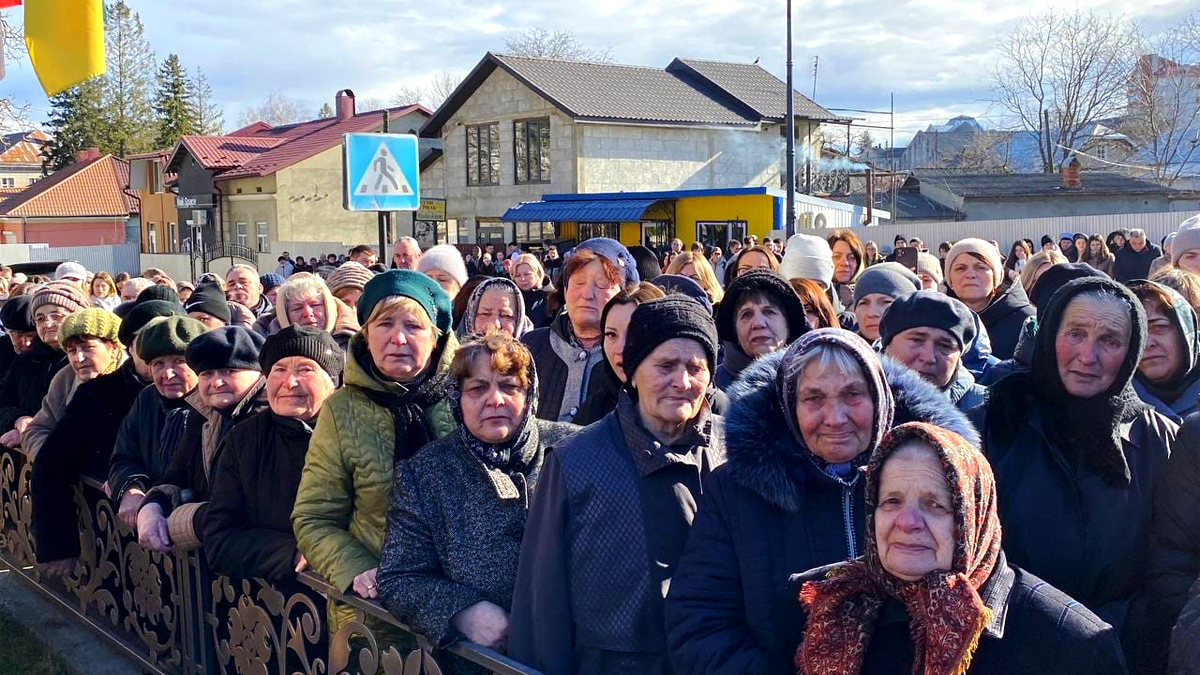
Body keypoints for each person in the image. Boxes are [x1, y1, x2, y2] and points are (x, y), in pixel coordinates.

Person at [664, 328, 980, 675]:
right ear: (789, 406)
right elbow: (700, 623)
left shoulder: (934, 482)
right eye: (813, 398)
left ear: (880, 400)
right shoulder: (736, 491)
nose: (835, 417)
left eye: (853, 395)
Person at [787, 422, 1127, 675]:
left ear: (973, 516)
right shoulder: (827, 602)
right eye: (891, 500)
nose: (907, 522)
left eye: (935, 505)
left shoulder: (1069, 643)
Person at [510, 296, 726, 675]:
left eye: (696, 367)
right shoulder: (574, 460)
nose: (682, 381)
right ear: (633, 370)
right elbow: (542, 597)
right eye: (665, 365)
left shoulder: (736, 451)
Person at [977, 276, 1175, 656]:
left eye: (1110, 341)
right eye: (1075, 334)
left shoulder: (1160, 441)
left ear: (1132, 351)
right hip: (1010, 647)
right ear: (1050, 334)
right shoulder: (995, 423)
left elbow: (1171, 564)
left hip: (1125, 650)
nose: (1088, 356)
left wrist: (1112, 638)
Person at [377, 334, 578, 655]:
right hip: (480, 662)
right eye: (478, 388)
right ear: (457, 399)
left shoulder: (574, 450)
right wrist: (462, 612)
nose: (495, 399)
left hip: (576, 653)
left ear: (529, 395)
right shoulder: (427, 473)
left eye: (510, 386)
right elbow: (399, 577)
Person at [292, 270, 457, 648]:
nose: (398, 338)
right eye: (384, 323)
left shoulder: (466, 398)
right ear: (366, 333)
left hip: (462, 611)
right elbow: (314, 516)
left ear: (436, 339)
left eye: (413, 325)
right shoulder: (342, 410)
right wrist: (355, 568)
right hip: (375, 615)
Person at [204, 326, 344, 581]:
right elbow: (219, 541)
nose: (289, 383)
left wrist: (329, 548)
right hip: (273, 605)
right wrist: (291, 551)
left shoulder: (355, 434)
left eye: (305, 369)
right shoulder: (244, 439)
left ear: (332, 383)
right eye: (279, 370)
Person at [136, 327, 267, 554]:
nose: (216, 382)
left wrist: (176, 522)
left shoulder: (268, 418)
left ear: (258, 373)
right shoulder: (205, 412)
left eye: (229, 371)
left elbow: (244, 509)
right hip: (215, 563)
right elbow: (177, 472)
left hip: (260, 566)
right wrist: (152, 506)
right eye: (207, 374)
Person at [107, 316, 208, 529]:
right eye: (158, 364)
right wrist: (131, 488)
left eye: (179, 362)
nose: (167, 374)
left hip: (198, 527)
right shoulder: (146, 400)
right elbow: (124, 456)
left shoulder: (214, 404)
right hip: (151, 529)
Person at [521, 238, 637, 422]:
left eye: (602, 285)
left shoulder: (634, 357)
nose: (587, 294)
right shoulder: (531, 347)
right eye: (578, 282)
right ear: (565, 289)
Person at [18, 307, 126, 460]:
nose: (79, 358)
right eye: (72, 351)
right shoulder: (66, 377)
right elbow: (36, 429)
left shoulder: (134, 380)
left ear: (113, 348)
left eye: (88, 348)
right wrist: (51, 459)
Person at [573, 283, 667, 426]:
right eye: (611, 334)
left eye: (633, 334)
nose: (620, 348)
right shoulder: (595, 409)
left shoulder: (698, 404)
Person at [0, 282, 85, 438]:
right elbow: (3, 397)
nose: (47, 324)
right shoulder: (25, 360)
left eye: (56, 316)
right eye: (40, 318)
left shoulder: (85, 359)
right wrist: (17, 419)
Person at [880, 291, 986, 412]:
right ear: (888, 344)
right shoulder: (858, 401)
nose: (929, 357)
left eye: (945, 346)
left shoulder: (987, 410)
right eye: (917, 340)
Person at [714, 270, 808, 392]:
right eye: (746, 314)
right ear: (735, 331)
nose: (758, 323)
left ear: (789, 325)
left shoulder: (811, 381)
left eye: (769, 312)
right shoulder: (712, 386)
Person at [945, 238, 1035, 360]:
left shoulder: (1027, 321)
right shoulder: (939, 322)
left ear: (995, 277)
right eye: (961, 268)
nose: (970, 274)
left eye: (980, 267)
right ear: (950, 280)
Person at [1128, 280, 1200, 423]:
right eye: (1135, 333)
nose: (1147, 343)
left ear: (1184, 332)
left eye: (1159, 327)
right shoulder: (1112, 407)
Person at [255, 272, 359, 349]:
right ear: (285, 315)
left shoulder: (356, 343)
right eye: (297, 308)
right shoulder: (262, 344)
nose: (308, 313)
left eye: (315, 305)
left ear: (329, 307)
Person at [852, 263, 921, 343]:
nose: (872, 313)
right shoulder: (839, 353)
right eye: (863, 303)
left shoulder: (929, 353)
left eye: (885, 302)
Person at [457, 276, 530, 340]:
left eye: (506, 316)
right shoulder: (451, 353)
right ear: (471, 318)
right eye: (485, 314)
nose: (495, 324)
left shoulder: (536, 353)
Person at [827, 230, 865, 310]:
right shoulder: (814, 297)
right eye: (837, 256)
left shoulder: (869, 296)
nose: (844, 263)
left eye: (851, 257)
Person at [511, 253, 549, 327]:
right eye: (518, 275)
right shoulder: (510, 299)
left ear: (537, 273)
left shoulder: (552, 298)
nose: (522, 279)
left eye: (527, 274)